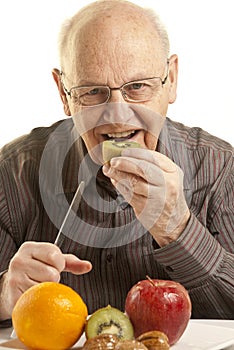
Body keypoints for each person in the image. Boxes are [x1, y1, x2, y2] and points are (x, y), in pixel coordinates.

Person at [0, 0, 233, 328]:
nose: (117, 115)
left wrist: (177, 228)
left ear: (172, 80)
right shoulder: (13, 174)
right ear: (64, 94)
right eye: (93, 91)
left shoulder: (220, 167)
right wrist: (3, 295)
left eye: (137, 87)